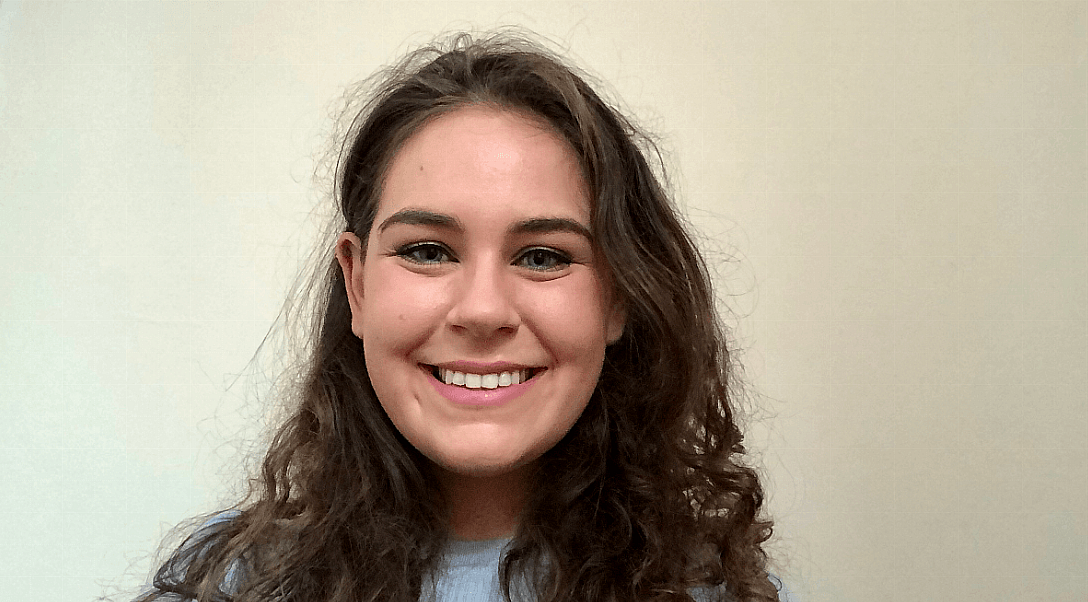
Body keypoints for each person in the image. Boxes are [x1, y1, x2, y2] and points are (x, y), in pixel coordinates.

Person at [138, 32, 790, 602]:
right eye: (428, 251)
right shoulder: (229, 588)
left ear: (618, 298)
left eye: (542, 256)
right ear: (357, 285)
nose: (482, 310)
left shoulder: (713, 592)